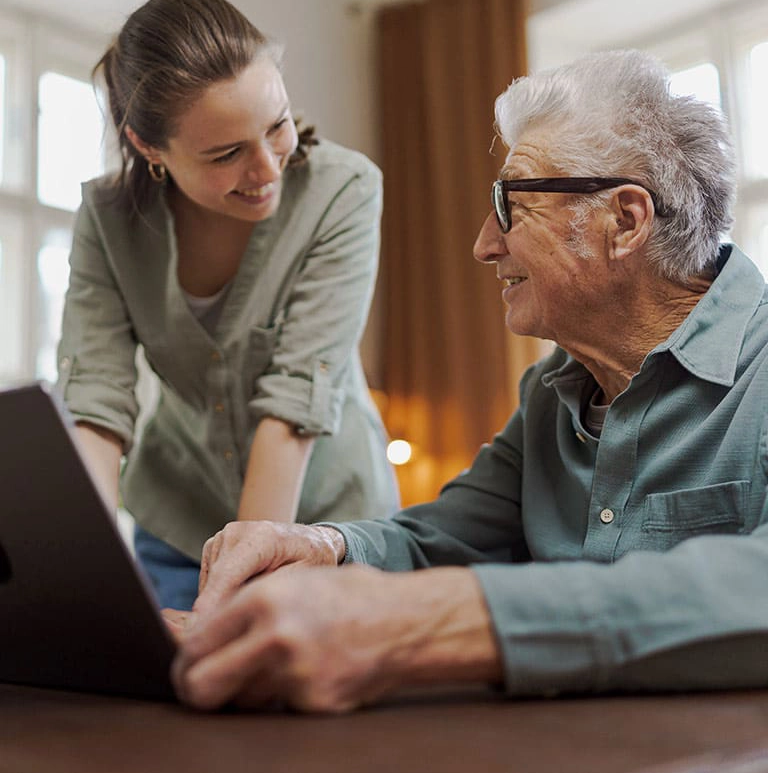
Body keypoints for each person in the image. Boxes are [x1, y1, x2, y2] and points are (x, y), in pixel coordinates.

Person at [170, 48, 768, 713]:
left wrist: (441, 622)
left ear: (624, 221)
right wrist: (321, 547)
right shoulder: (548, 396)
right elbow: (441, 539)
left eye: (510, 205)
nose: (485, 243)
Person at [56, 0, 398, 611]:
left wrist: (237, 596)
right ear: (148, 148)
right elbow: (97, 404)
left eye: (278, 127)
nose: (267, 168)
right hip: (179, 527)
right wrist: (82, 572)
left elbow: (295, 401)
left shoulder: (342, 191)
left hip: (332, 532)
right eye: (227, 153)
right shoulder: (108, 220)